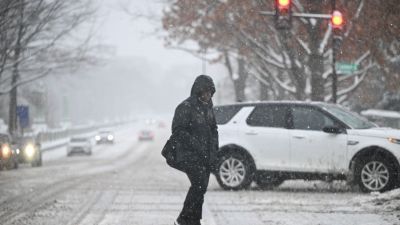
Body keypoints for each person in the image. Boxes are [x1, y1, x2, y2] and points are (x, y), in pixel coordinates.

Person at [173, 75, 219, 225]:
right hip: (190, 155)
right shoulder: (185, 107)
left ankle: (192, 219)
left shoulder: (208, 108)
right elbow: (178, 130)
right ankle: (183, 220)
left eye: (210, 92)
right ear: (198, 91)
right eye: (205, 92)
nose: (208, 95)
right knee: (198, 185)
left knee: (201, 188)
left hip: (206, 156)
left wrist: (214, 151)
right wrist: (196, 144)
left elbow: (214, 130)